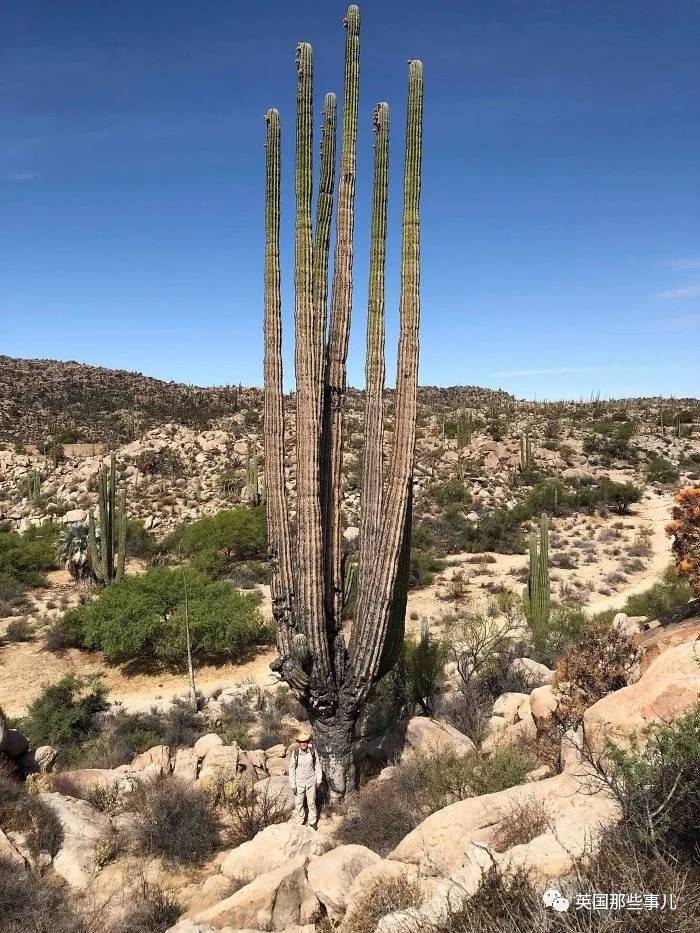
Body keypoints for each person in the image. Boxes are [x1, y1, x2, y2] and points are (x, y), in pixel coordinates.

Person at [288, 728, 322, 828]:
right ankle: (300, 820)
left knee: (311, 803)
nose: (303, 744)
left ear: (308, 742)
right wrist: (292, 784)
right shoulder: (295, 753)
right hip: (299, 782)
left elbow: (317, 765)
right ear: (299, 743)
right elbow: (291, 769)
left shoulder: (312, 751)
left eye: (305, 742)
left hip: (311, 781)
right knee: (298, 803)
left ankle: (312, 822)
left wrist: (318, 779)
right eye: (301, 742)